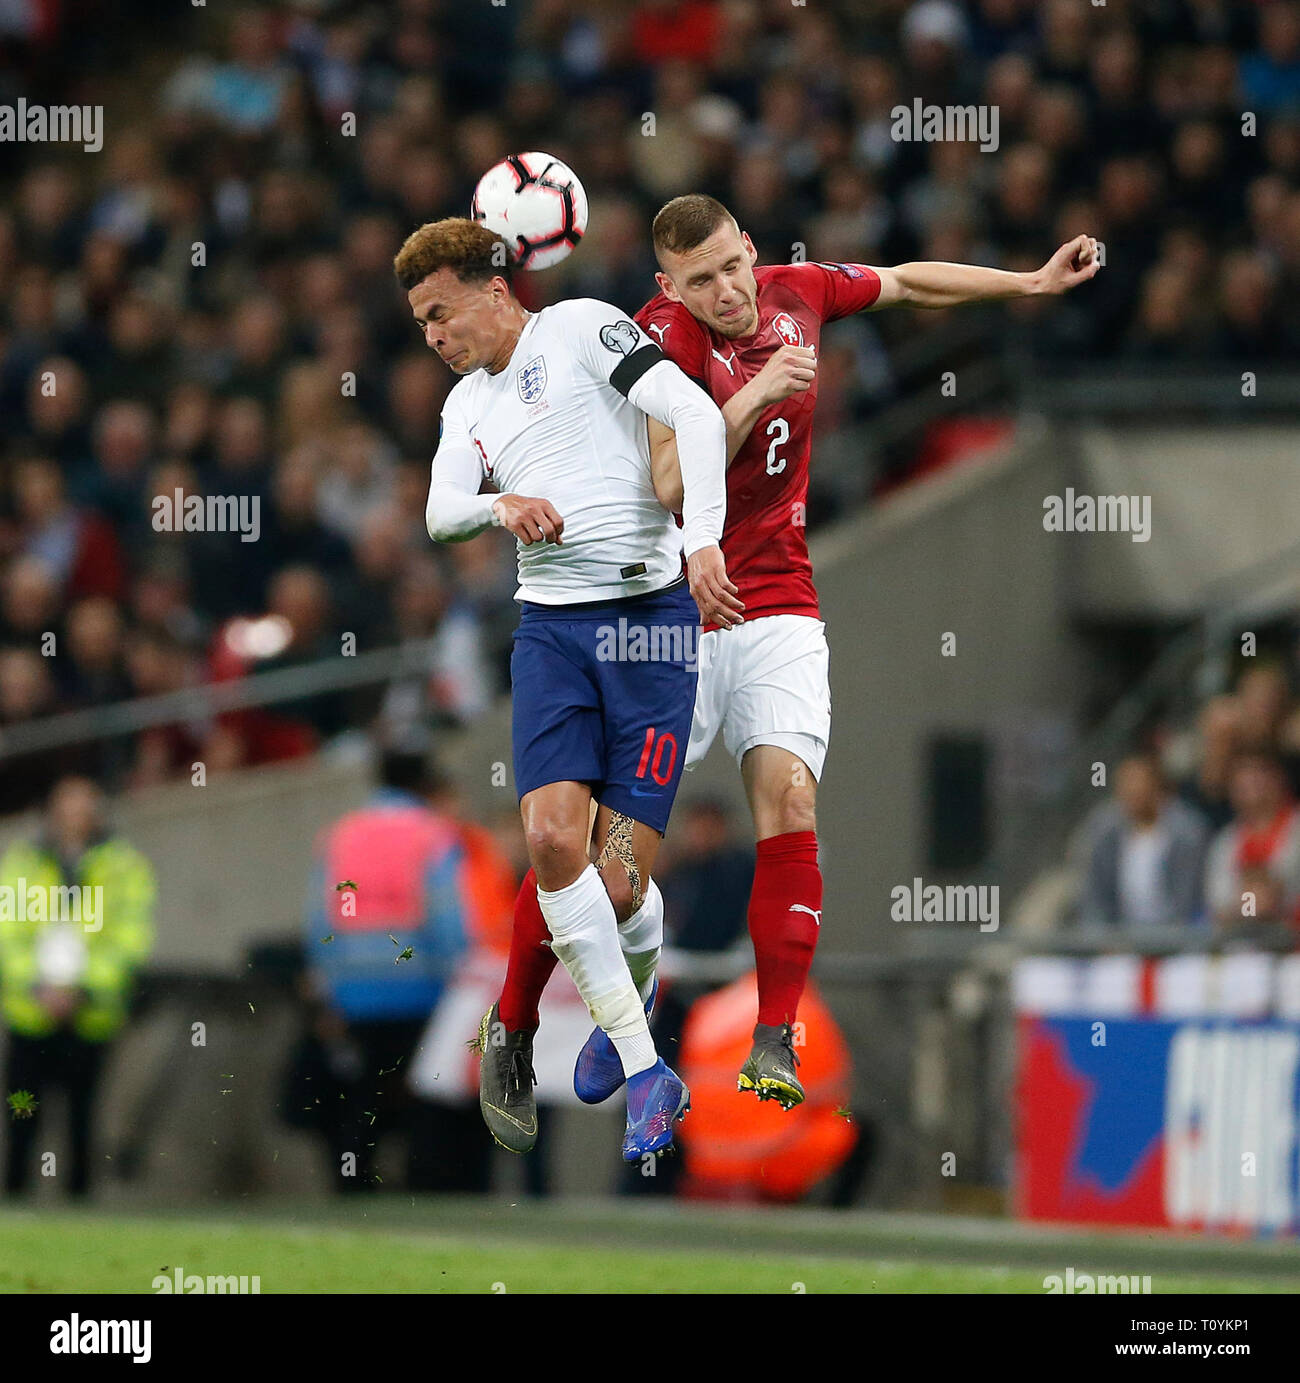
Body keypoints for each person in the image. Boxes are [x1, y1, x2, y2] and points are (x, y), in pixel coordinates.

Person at [498, 193, 1102, 1110]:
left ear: (750, 247)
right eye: (701, 281)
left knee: (789, 798)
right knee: (608, 876)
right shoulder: (654, 341)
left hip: (778, 603)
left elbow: (904, 283)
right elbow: (667, 481)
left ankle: (774, 1035)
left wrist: (1028, 280)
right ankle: (541, 1014)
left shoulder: (799, 290)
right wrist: (753, 393)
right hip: (670, 619)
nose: (728, 291)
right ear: (671, 286)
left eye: (733, 266)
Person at [394, 218, 734, 1162]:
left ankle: (611, 992)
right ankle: (633, 1061)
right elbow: (438, 512)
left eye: (439, 312)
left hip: (652, 632)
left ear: (494, 288)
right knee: (550, 840)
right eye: (421, 324)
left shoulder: (584, 326)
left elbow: (698, 414)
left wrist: (702, 536)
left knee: (619, 880)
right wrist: (499, 504)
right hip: (553, 635)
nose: (433, 335)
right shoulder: (465, 406)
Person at [299, 745, 471, 1192]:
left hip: (354, 988)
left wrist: (329, 983)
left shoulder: (341, 834)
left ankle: (351, 1184)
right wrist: (460, 974)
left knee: (362, 1091)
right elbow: (447, 914)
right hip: (420, 984)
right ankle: (422, 1186)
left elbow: (320, 917)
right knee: (421, 1094)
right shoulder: (433, 834)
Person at [0, 776, 156, 1197]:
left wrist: (85, 988)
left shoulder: (122, 865)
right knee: (22, 1108)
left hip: (91, 1013)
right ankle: (15, 1194)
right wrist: (35, 983)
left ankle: (79, 1199)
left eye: (83, 808)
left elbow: (130, 936)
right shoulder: (23, 862)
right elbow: (8, 930)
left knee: (82, 1112)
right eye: (66, 808)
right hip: (31, 1010)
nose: (74, 818)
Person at [1077, 752, 1209, 929]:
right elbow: (1095, 896)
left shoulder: (1187, 833)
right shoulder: (1105, 833)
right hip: (1121, 937)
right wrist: (1104, 939)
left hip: (1178, 936)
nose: (1132, 792)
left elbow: (1188, 898)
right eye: (1126, 786)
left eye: (1138, 784)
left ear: (1156, 787)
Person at [1204, 751, 1300, 933]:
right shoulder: (1227, 842)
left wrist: (1271, 899)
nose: (1253, 786)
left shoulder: (1295, 830)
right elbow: (1219, 902)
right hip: (1245, 949)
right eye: (1243, 783)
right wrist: (1252, 907)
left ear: (1279, 779)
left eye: (1260, 777)